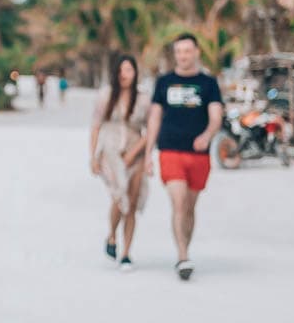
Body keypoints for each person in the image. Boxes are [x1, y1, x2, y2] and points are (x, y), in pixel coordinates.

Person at [143, 34, 224, 281]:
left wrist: (207, 135)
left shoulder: (209, 83)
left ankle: (184, 251)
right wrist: (148, 153)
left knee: (189, 207)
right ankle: (183, 256)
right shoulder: (164, 82)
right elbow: (154, 117)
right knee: (178, 203)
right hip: (169, 150)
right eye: (178, 51)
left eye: (187, 51)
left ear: (196, 52)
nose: (183, 56)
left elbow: (216, 116)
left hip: (198, 154)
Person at [89, 55, 150, 271]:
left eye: (129, 70)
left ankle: (126, 253)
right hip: (111, 154)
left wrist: (136, 153)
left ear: (135, 73)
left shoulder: (143, 99)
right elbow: (95, 126)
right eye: (121, 70)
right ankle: (112, 235)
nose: (125, 75)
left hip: (135, 153)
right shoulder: (106, 96)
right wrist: (93, 156)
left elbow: (151, 130)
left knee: (131, 203)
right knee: (118, 196)